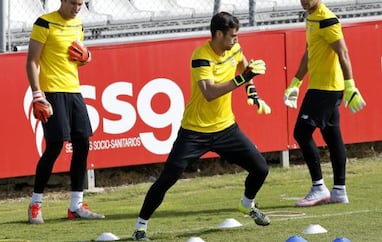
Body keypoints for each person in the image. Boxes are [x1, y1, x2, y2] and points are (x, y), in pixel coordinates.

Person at [132, 12, 272, 241]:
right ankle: (140, 227)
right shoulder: (201, 56)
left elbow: (245, 66)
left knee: (261, 169)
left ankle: (247, 205)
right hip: (195, 132)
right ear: (219, 34)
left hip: (226, 128)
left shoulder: (233, 48)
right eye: (232, 36)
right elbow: (208, 92)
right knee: (167, 178)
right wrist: (243, 80)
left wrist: (252, 92)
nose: (236, 40)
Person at [26, 0, 104, 223]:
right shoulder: (44, 23)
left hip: (74, 91)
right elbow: (32, 61)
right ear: (62, 0)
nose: (77, 7)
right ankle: (36, 204)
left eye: (80, 3)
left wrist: (87, 58)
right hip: (51, 92)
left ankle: (76, 206)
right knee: (54, 146)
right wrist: (37, 95)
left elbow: (76, 59)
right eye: (73, 3)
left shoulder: (78, 24)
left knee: (83, 144)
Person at [284, 0, 366, 207]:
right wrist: (296, 82)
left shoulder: (327, 18)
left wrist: (350, 86)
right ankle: (339, 190)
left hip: (326, 88)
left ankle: (319, 187)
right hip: (320, 86)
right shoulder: (311, 16)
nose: (303, 0)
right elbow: (310, 52)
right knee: (332, 136)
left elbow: (343, 52)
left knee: (301, 133)